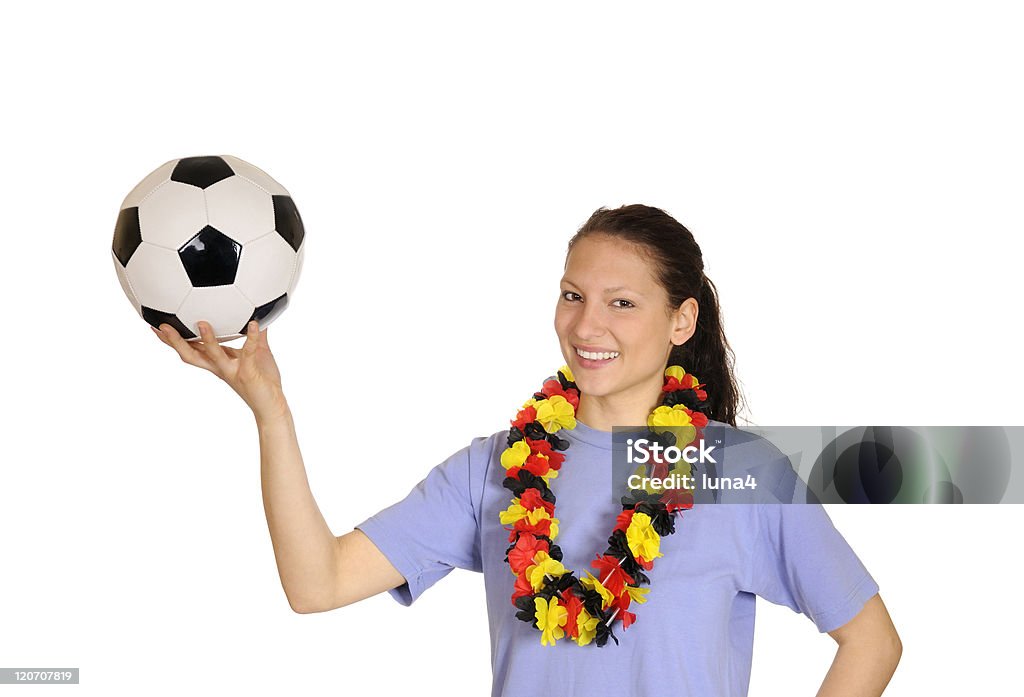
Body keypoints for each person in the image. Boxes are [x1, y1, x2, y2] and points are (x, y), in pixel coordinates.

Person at [152, 204, 902, 696]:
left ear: (682, 320)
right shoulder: (498, 466)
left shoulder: (738, 471)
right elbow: (316, 583)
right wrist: (270, 410)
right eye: (572, 294)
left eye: (622, 302)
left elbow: (869, 639)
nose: (586, 326)